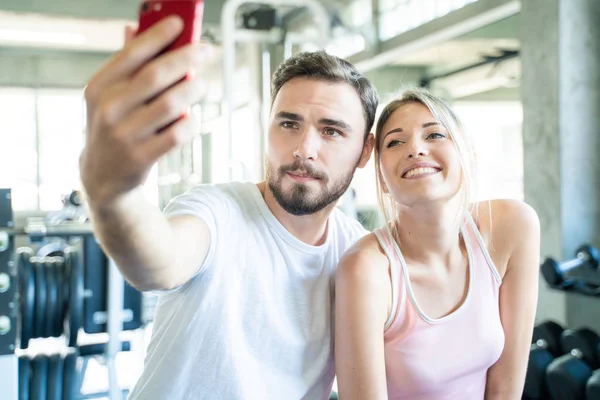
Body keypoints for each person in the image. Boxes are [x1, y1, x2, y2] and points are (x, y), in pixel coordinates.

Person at [78, 15, 379, 400]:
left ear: (364, 151)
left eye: (331, 131)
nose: (304, 148)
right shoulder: (217, 211)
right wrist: (112, 193)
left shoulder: (357, 254)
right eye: (288, 124)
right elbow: (158, 262)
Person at [334, 88, 540, 399]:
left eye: (434, 135)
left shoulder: (512, 227)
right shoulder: (367, 269)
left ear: (467, 157)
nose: (415, 149)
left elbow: (504, 391)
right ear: (383, 179)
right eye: (395, 142)